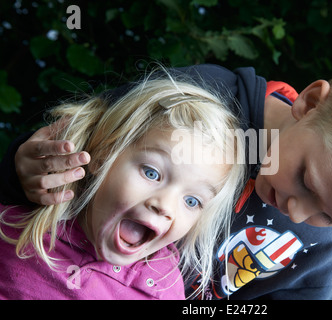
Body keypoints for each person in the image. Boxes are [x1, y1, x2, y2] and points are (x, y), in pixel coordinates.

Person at [2, 33, 332, 299]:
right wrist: (24, 167)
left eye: (329, 218)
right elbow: (79, 144)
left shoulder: (320, 259)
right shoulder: (204, 98)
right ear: (310, 103)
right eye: (305, 181)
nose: (297, 212)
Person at [0, 70, 246, 299]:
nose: (165, 207)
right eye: (152, 173)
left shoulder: (165, 289)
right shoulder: (18, 224)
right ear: (104, 155)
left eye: (192, 201)